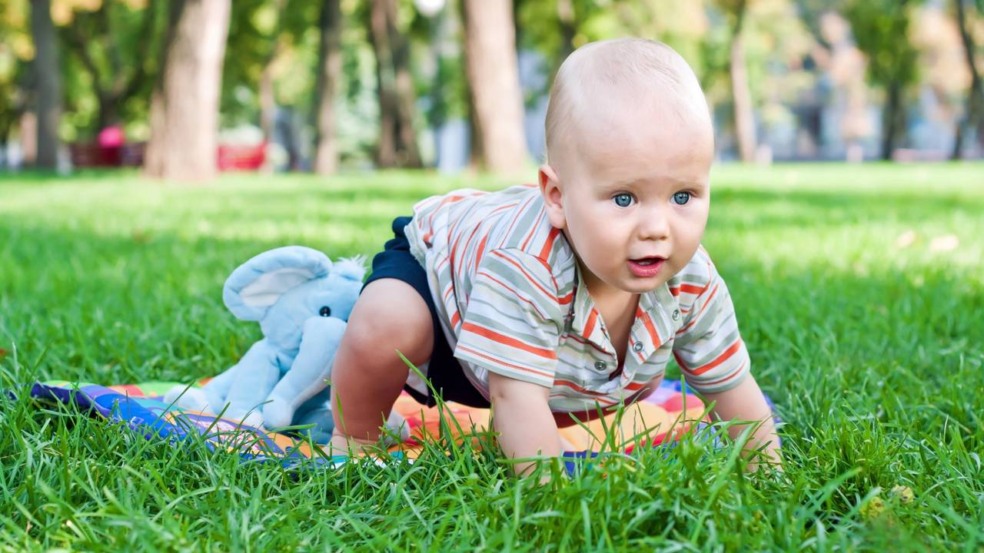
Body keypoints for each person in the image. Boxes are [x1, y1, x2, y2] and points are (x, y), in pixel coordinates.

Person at [329, 38, 781, 474]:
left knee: (548, 393)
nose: (657, 228)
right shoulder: (530, 266)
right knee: (386, 322)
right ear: (558, 197)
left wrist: (771, 477)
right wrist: (553, 500)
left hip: (558, 372)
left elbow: (730, 385)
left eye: (683, 196)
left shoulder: (692, 279)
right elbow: (515, 399)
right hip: (443, 295)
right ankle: (356, 437)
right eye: (624, 199)